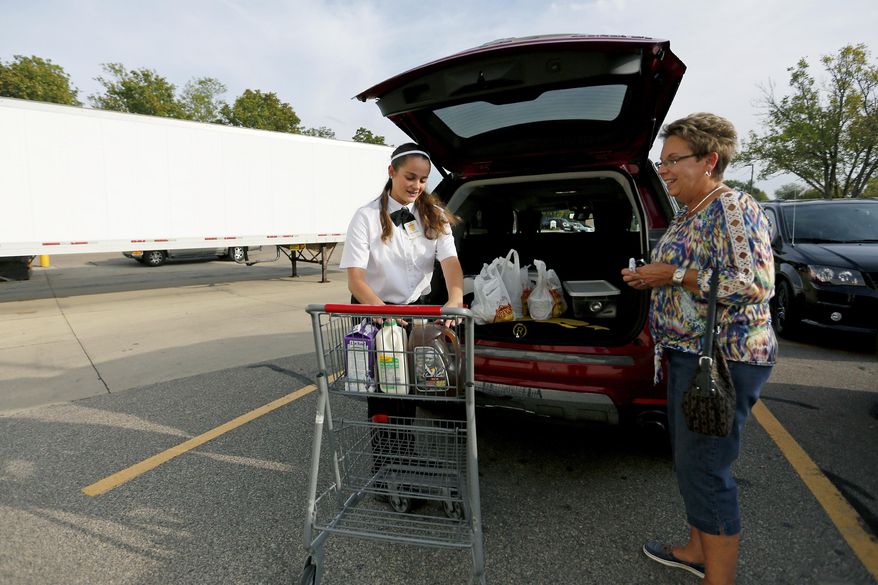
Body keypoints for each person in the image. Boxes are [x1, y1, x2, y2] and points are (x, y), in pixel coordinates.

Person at [621, 113, 777, 585]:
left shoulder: (732, 206)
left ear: (709, 160)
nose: (663, 169)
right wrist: (652, 275)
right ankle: (695, 549)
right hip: (691, 354)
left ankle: (720, 578)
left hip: (724, 359)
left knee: (707, 467)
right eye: (661, 160)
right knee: (691, 462)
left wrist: (668, 275)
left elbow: (754, 285)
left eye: (672, 160)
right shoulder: (693, 209)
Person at [339, 141, 464, 427]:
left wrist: (455, 297)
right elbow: (356, 280)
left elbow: (451, 263)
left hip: (415, 311)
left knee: (410, 384)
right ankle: (383, 461)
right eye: (410, 177)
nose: (416, 185)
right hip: (375, 309)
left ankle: (405, 455)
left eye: (422, 179)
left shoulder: (434, 215)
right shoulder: (366, 217)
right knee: (383, 390)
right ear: (392, 171)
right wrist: (383, 313)